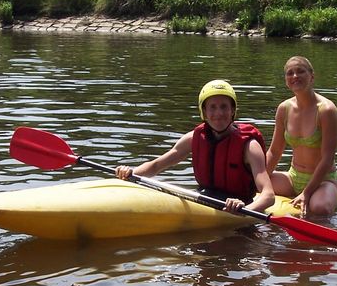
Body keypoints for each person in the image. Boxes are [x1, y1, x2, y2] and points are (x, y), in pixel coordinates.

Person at [115, 80, 275, 214]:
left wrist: (244, 210)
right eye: (212, 107)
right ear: (204, 112)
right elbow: (157, 165)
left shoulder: (250, 146)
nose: (218, 113)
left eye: (224, 106)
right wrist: (131, 172)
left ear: (233, 110)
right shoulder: (194, 137)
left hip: (239, 206)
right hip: (205, 199)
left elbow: (268, 195)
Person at [266, 56, 337, 216]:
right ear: (286, 80)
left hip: (323, 180)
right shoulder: (284, 109)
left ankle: (324, 200)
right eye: (290, 73)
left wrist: (306, 193)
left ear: (312, 77)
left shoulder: (326, 110)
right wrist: (259, 182)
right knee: (252, 183)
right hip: (293, 177)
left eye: (300, 71)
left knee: (320, 209)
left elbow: (327, 158)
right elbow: (275, 151)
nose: (295, 76)